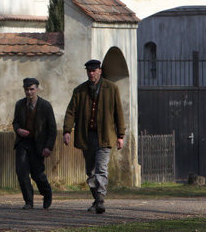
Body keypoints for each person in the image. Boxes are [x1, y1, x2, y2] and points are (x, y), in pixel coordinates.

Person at [62, 59, 125, 214]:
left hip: (105, 135)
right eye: (89, 71)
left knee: (101, 169)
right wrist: (67, 131)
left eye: (94, 70)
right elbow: (71, 112)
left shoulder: (112, 88)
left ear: (100, 71)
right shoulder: (80, 91)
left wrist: (120, 135)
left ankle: (101, 199)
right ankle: (97, 200)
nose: (91, 73)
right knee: (90, 171)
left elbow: (119, 113)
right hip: (86, 135)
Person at [12, 77, 56, 209]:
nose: (29, 92)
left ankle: (47, 193)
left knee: (37, 174)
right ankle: (28, 201)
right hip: (23, 143)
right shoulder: (20, 105)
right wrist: (18, 130)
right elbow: (15, 122)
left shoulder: (45, 106)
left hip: (38, 145)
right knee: (22, 172)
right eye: (26, 89)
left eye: (32, 89)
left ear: (37, 89)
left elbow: (52, 129)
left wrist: (48, 147)